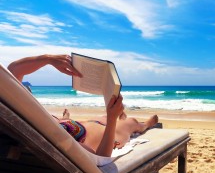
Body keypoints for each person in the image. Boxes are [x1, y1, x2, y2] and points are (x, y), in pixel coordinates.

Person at [7, 54, 158, 157]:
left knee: (103, 116)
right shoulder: (48, 136)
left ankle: (115, 116)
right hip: (108, 137)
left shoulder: (28, 116)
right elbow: (101, 157)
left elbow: (13, 70)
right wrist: (112, 119)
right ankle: (145, 125)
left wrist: (49, 59)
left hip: (85, 125)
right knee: (130, 122)